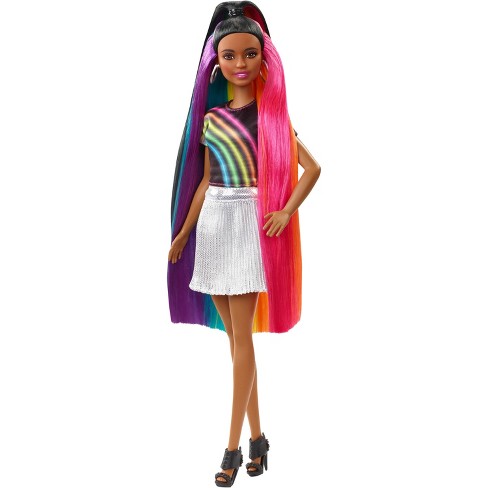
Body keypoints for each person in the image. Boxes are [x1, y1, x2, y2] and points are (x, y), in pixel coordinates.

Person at [167, 2, 321, 486]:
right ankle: (259, 440)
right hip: (214, 223)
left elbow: (312, 168)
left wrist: (285, 210)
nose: (240, 63)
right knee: (237, 341)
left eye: (249, 54)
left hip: (249, 225)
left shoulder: (272, 118)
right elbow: (204, 181)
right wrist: (184, 233)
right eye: (230, 55)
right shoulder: (211, 119)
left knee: (241, 340)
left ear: (263, 58)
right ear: (216, 62)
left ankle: (231, 448)